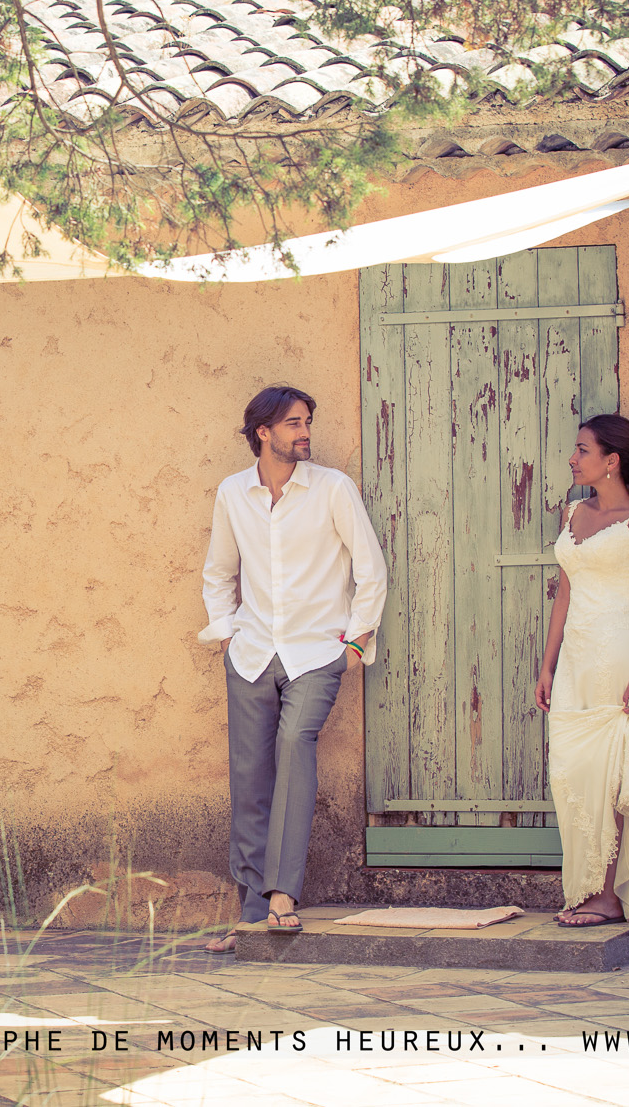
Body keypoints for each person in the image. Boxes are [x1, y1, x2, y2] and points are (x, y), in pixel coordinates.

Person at [197, 385, 389, 953]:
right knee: (249, 779)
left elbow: (369, 568)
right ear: (264, 432)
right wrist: (228, 635)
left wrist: (354, 643)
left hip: (316, 653)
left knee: (296, 748)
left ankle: (282, 894)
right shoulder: (234, 493)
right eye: (293, 424)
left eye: (307, 422)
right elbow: (218, 572)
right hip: (252, 652)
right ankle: (251, 915)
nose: (305, 432)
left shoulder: (332, 488)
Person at [537, 414, 629, 929]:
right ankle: (586, 885)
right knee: (570, 771)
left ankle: (608, 896)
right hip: (574, 658)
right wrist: (547, 664)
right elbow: (564, 594)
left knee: (613, 774)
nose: (572, 459)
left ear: (611, 461)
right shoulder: (573, 512)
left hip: (618, 652)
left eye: (581, 450)